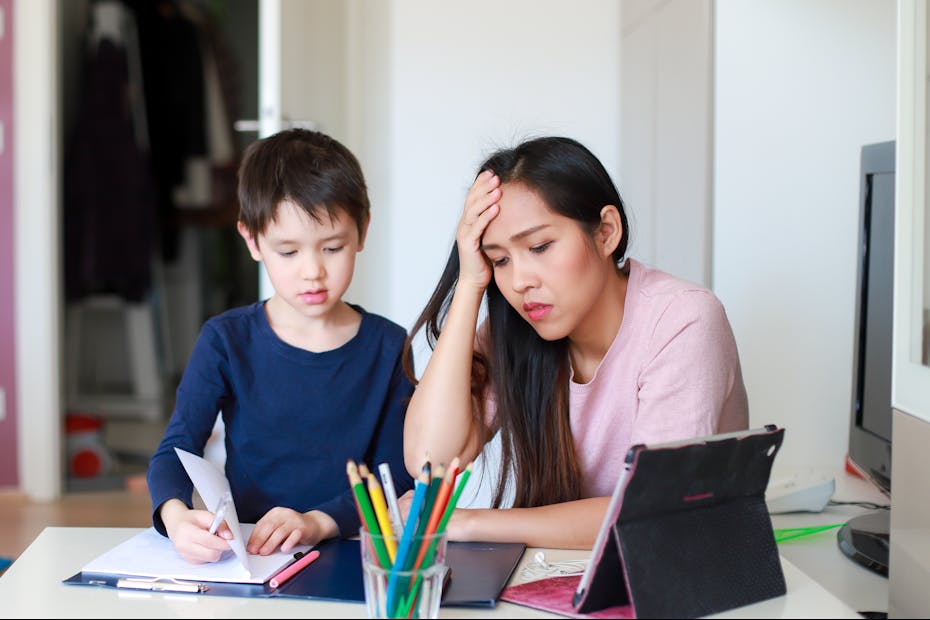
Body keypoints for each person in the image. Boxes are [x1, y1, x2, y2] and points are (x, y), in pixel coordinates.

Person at [402, 136, 748, 549]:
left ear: (606, 233)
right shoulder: (512, 331)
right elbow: (430, 462)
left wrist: (466, 523)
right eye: (500, 260)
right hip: (569, 574)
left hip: (687, 574)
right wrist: (470, 284)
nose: (519, 281)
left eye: (539, 246)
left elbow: (654, 510)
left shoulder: (683, 320)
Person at [147, 128, 415, 564]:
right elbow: (175, 450)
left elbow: (395, 478)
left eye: (332, 247)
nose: (313, 272)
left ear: (362, 231)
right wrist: (176, 517)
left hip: (351, 548)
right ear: (252, 240)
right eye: (288, 252)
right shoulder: (225, 339)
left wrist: (316, 522)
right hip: (251, 553)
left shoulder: (388, 345)